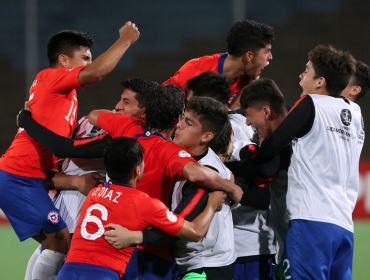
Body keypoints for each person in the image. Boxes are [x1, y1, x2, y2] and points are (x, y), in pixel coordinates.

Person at [17, 84, 243, 279]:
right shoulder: (167, 157)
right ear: (138, 170)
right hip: (149, 252)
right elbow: (194, 211)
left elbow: (94, 115)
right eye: (183, 119)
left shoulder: (101, 182)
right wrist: (230, 186)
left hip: (98, 252)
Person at [0, 21, 139, 280]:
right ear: (64, 60)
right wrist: (125, 41)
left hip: (29, 178)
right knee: (61, 244)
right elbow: (96, 73)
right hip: (19, 178)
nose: (90, 63)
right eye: (84, 57)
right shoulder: (51, 78)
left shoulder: (66, 96)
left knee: (55, 243)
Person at [245, 45, 362, 280]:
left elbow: (271, 147)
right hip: (344, 226)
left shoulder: (311, 103)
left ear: (320, 81)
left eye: (307, 71)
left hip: (311, 221)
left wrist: (248, 155)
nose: (302, 75)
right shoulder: (355, 113)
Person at [23, 78, 158, 280]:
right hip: (62, 220)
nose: (118, 106)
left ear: (145, 113)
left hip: (89, 226)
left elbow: (62, 148)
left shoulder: (131, 138)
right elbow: (41, 174)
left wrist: (27, 122)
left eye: (126, 103)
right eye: (120, 100)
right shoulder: (88, 121)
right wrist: (74, 182)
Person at [56, 137, 226, 280]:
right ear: (137, 170)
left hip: (67, 271)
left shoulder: (94, 194)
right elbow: (195, 232)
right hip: (104, 275)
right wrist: (212, 203)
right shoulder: (144, 204)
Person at [163, 20, 274, 110]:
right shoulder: (192, 74)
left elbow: (227, 122)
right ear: (248, 56)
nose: (270, 57)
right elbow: (154, 109)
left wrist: (247, 88)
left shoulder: (248, 77)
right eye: (266, 52)